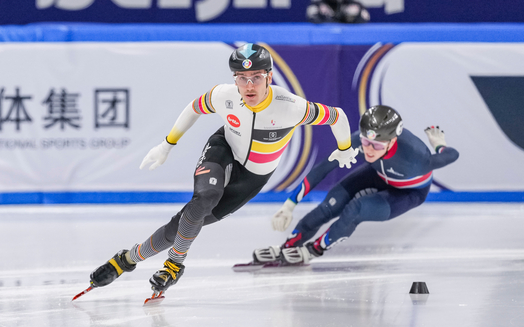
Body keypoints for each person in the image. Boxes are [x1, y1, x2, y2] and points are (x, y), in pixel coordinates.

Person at [87, 43, 359, 297]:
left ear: (270, 77)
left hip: (254, 175)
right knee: (203, 199)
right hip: (224, 148)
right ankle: (174, 266)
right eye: (241, 77)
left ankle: (127, 259)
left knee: (182, 225)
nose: (249, 85)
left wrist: (345, 147)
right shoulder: (224, 95)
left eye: (256, 77)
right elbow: (193, 108)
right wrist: (167, 145)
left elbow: (337, 116)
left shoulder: (291, 108)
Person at [252, 105, 459, 266]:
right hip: (377, 175)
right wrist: (289, 205)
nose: (368, 150)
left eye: (376, 145)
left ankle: (313, 250)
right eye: (365, 142)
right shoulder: (362, 141)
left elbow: (452, 155)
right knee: (328, 206)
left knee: (356, 209)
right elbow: (323, 167)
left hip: (409, 192)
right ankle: (287, 246)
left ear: (391, 141)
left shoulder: (416, 157)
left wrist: (439, 144)